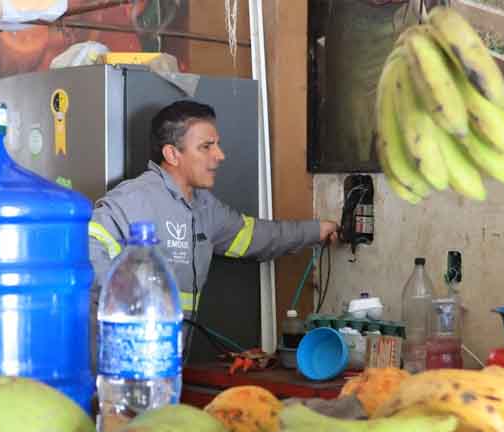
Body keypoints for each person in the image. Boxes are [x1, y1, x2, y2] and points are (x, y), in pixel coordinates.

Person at [88, 100, 338, 359]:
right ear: (172, 154)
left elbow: (258, 237)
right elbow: (86, 248)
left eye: (216, 145)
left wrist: (316, 230)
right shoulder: (136, 198)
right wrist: (132, 307)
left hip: (165, 361)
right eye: (206, 147)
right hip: (120, 360)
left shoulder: (205, 208)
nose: (220, 155)